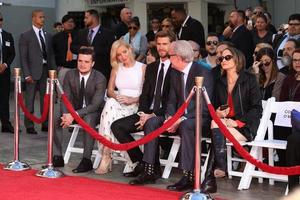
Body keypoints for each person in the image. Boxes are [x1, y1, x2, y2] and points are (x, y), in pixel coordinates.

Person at [130, 40, 214, 190]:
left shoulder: (203, 72)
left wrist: (179, 119)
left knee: (186, 125)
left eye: (170, 56)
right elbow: (172, 99)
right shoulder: (175, 72)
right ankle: (150, 169)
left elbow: (204, 107)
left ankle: (189, 175)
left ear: (179, 57)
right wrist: (169, 117)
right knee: (152, 122)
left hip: (198, 118)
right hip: (177, 117)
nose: (168, 59)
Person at [111, 31, 176, 181]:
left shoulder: (176, 67)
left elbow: (172, 99)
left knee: (151, 122)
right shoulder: (152, 67)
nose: (161, 47)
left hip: (165, 114)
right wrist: (141, 113)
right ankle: (141, 162)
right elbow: (145, 94)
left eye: (165, 44)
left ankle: (150, 169)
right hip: (147, 112)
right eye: (158, 44)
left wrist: (152, 115)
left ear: (172, 45)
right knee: (117, 126)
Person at [201, 47, 262, 194]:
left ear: (237, 59)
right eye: (221, 58)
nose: (223, 61)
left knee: (216, 128)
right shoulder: (220, 81)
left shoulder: (249, 79)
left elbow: (256, 108)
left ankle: (214, 173)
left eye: (227, 57)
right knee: (216, 123)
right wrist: (218, 112)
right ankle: (220, 167)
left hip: (244, 126)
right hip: (223, 125)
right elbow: (214, 106)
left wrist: (236, 122)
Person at [95, 40, 146, 174]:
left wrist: (132, 100)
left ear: (130, 50)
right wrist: (118, 98)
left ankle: (107, 155)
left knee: (110, 113)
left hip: (135, 105)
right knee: (110, 103)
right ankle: (106, 153)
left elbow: (147, 94)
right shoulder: (116, 68)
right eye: (119, 55)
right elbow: (110, 91)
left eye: (124, 51)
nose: (123, 56)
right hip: (118, 103)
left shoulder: (142, 67)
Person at [52, 47, 106, 173]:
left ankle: (86, 160)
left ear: (92, 63)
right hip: (73, 110)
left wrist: (73, 115)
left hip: (93, 112)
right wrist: (66, 114)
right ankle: (57, 156)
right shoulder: (70, 75)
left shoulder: (100, 78)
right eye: (80, 61)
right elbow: (66, 98)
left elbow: (95, 105)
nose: (82, 64)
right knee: (55, 114)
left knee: (89, 117)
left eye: (86, 62)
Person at [19, 9, 55, 134]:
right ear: (33, 18)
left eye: (44, 17)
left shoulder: (48, 35)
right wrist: (27, 74)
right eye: (40, 17)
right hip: (32, 72)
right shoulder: (25, 35)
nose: (43, 19)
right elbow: (23, 57)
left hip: (46, 71)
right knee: (29, 100)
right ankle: (29, 125)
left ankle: (45, 124)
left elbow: (51, 55)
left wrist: (53, 72)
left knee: (46, 99)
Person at [71, 9, 115, 81]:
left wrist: (94, 49)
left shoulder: (108, 33)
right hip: (82, 71)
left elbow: (110, 49)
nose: (84, 20)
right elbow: (72, 46)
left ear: (94, 18)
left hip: (101, 71)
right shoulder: (81, 32)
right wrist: (80, 48)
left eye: (86, 18)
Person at [275, 48, 300, 167]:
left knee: (293, 137)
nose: (297, 63)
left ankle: (291, 168)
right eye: (295, 60)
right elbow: (282, 101)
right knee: (277, 128)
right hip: (287, 118)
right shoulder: (288, 79)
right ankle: (283, 163)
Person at [0, 12, 15, 133]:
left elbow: (12, 53)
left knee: (4, 98)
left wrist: (5, 65)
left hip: (4, 72)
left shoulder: (8, 36)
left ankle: (6, 124)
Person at [52, 14, 77, 85]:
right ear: (63, 24)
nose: (69, 23)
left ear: (74, 24)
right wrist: (54, 69)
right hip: (62, 68)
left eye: (71, 22)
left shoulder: (80, 35)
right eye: (67, 22)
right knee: (62, 91)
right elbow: (52, 54)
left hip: (77, 68)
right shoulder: (56, 38)